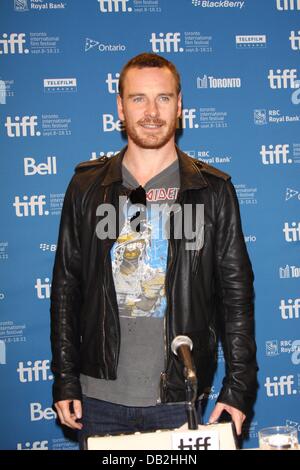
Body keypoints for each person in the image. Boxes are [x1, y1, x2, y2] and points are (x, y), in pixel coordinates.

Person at [50, 53, 258, 449]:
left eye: (163, 98)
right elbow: (66, 288)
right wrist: (65, 376)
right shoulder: (86, 188)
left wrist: (239, 388)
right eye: (138, 98)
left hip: (179, 398)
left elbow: (236, 298)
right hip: (99, 399)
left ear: (180, 106)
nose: (151, 111)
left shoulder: (212, 191)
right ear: (120, 107)